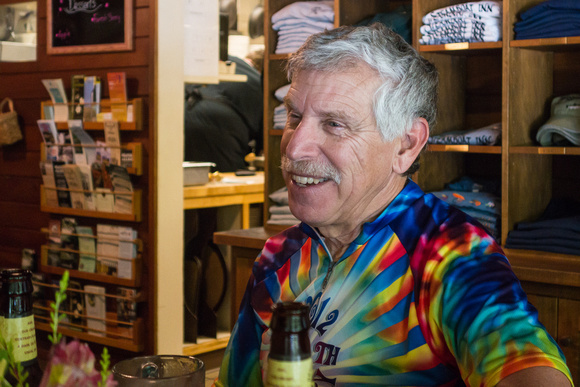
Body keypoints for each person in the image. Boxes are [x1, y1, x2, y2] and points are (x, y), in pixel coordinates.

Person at [215, 24, 573, 386]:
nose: (294, 148)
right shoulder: (278, 255)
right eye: (294, 117)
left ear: (406, 145)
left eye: (334, 124)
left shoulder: (450, 255)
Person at [184, 54, 263, 173]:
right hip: (220, 130)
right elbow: (263, 131)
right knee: (223, 181)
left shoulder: (222, 59)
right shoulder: (258, 80)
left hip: (182, 113)